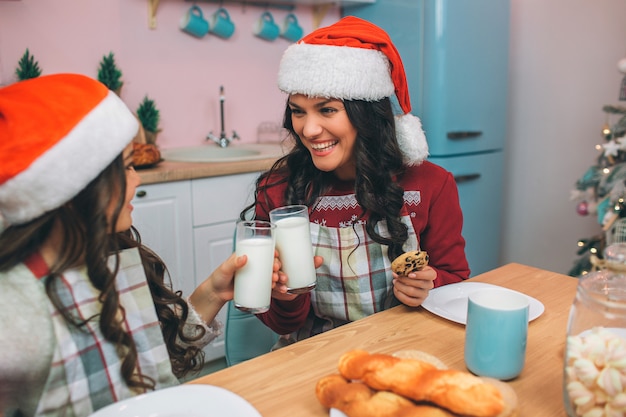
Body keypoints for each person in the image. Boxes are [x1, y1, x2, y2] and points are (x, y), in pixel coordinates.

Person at [0, 73, 281, 416]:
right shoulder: (15, 315)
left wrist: (213, 292)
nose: (137, 179)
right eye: (129, 167)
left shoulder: (111, 257)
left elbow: (151, 364)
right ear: (76, 188)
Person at [242, 16, 470, 343]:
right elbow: (281, 324)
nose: (308, 129)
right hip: (312, 354)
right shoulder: (277, 191)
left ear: (366, 114)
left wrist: (429, 285)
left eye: (327, 110)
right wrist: (286, 294)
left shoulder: (431, 185)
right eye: (298, 111)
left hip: (405, 344)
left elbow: (457, 279)